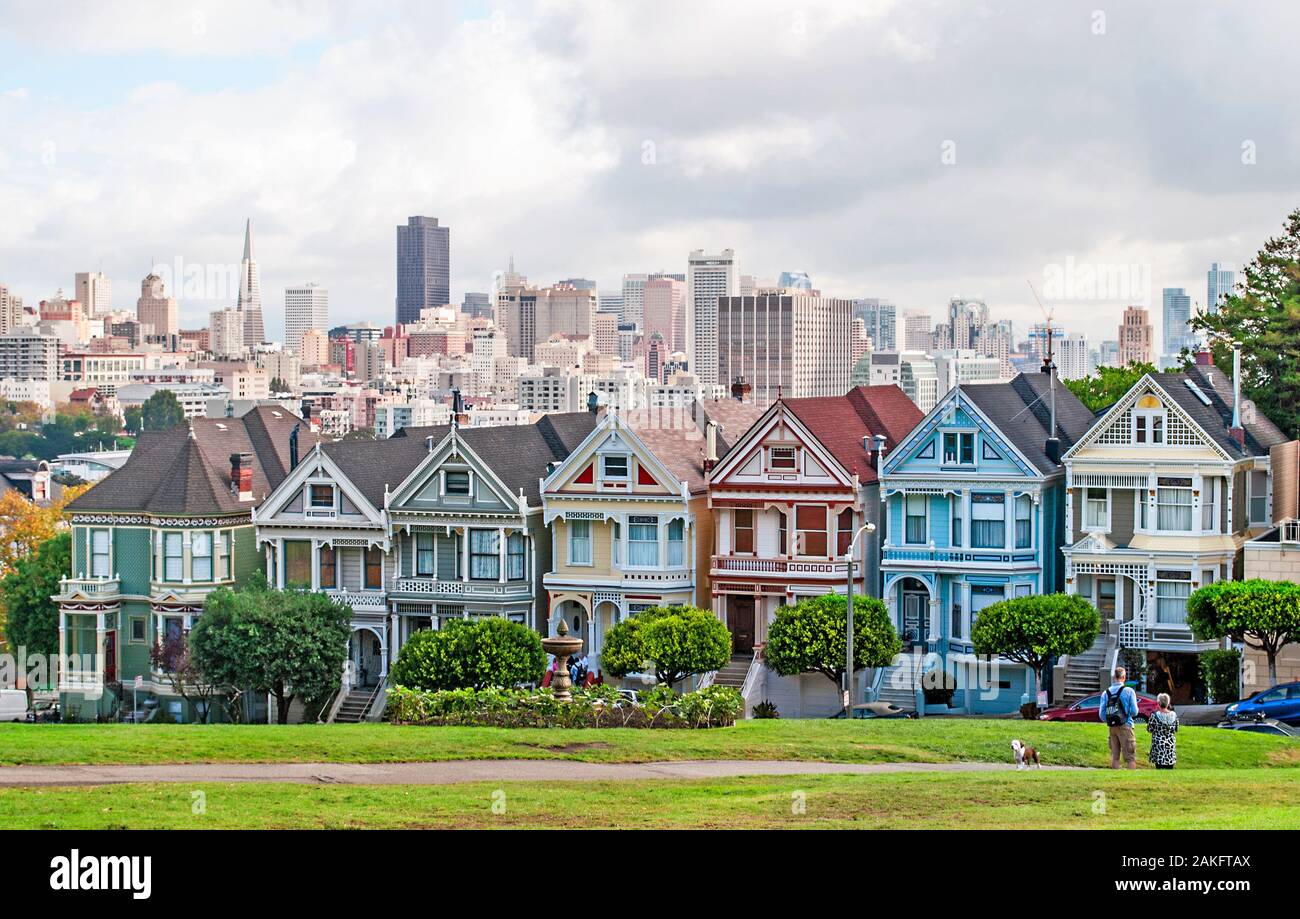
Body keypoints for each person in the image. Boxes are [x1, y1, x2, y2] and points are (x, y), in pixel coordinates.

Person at [1098, 665, 1139, 769]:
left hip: (1112, 727)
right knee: (1130, 757)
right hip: (1126, 725)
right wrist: (1126, 714)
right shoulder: (1129, 691)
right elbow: (1135, 711)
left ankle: (1115, 780)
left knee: (1115, 757)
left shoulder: (1105, 693)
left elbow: (1102, 715)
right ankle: (1130, 781)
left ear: (1113, 677)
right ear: (1124, 677)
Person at [1147, 693, 1178, 769]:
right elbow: (1176, 729)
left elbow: (1149, 729)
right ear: (1168, 703)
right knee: (1170, 768)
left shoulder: (1154, 716)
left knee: (1159, 768)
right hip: (1170, 745)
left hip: (1158, 746)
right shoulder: (1174, 715)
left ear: (1158, 703)